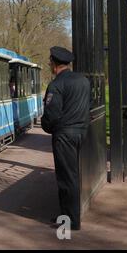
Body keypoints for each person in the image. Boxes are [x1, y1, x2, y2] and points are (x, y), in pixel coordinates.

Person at [41, 46, 91, 231]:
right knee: (72, 175)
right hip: (80, 133)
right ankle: (67, 215)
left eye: (49, 62)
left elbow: (51, 115)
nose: (49, 64)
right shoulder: (83, 81)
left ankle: (70, 221)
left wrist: (46, 126)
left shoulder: (56, 85)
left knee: (66, 178)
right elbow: (88, 105)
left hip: (64, 136)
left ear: (54, 64)